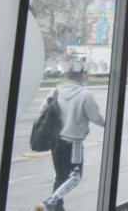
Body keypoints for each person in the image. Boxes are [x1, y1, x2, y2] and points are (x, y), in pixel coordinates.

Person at [36, 64, 105, 211]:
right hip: (73, 143)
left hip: (55, 141)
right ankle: (50, 203)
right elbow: (96, 118)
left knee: (61, 176)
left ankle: (57, 208)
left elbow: (42, 111)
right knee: (74, 177)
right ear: (83, 75)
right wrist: (111, 124)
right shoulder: (86, 95)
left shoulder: (56, 91)